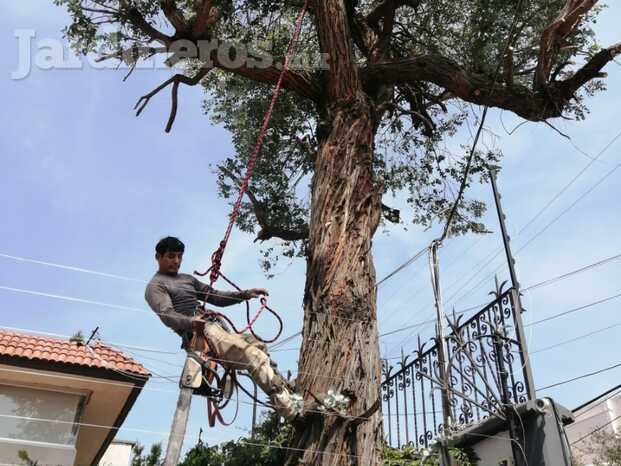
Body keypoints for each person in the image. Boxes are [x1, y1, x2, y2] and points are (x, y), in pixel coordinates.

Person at [145, 236, 301, 419]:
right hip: (201, 333)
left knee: (258, 346)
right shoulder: (155, 286)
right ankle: (292, 412)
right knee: (252, 355)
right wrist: (192, 323)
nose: (176, 261)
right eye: (171, 256)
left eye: (179, 257)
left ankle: (289, 393)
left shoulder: (187, 279)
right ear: (158, 256)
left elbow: (215, 296)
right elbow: (167, 314)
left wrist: (244, 294)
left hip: (216, 326)